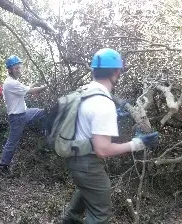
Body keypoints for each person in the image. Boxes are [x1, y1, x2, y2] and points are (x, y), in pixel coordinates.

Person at [62, 48, 159, 224]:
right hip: (87, 163)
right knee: (100, 215)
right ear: (116, 72)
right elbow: (103, 149)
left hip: (74, 157)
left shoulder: (86, 90)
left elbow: (87, 119)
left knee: (85, 192)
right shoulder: (103, 102)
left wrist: (114, 114)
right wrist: (138, 143)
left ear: (93, 70)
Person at [0, 55, 47, 177]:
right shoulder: (11, 83)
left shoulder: (13, 82)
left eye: (19, 67)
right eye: (16, 68)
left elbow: (26, 89)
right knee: (12, 142)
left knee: (43, 112)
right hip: (17, 117)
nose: (19, 70)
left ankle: (47, 133)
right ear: (9, 70)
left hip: (24, 113)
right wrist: (45, 87)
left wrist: (35, 86)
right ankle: (2, 167)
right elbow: (31, 91)